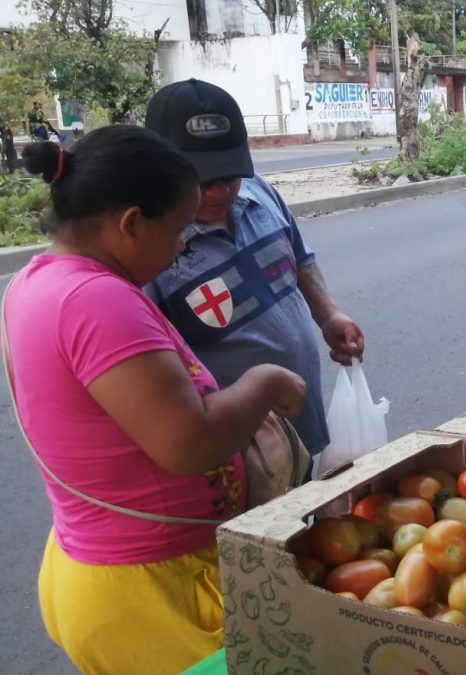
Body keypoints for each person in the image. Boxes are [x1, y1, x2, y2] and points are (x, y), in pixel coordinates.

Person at [5, 127, 306, 674]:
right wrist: (264, 380)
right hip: (151, 585)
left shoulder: (43, 280)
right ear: (131, 223)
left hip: (119, 570)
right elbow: (189, 444)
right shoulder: (95, 301)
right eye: (176, 231)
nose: (179, 250)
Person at [143, 79, 363, 457]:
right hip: (241, 453)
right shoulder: (149, 251)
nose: (220, 191)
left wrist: (329, 315)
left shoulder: (259, 191)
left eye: (229, 174)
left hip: (302, 422)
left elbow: (300, 258)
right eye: (203, 179)